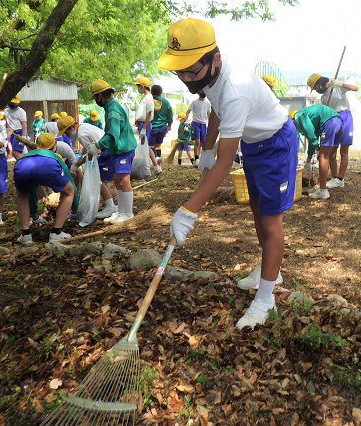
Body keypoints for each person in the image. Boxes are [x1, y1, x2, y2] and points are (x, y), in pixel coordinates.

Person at [158, 17, 298, 330]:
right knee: (257, 207)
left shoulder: (236, 89)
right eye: (178, 70)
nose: (184, 78)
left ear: (214, 59)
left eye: (190, 70)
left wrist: (187, 211)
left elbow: (224, 164)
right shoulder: (212, 78)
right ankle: (268, 269)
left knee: (270, 219)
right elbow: (217, 114)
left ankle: (266, 299)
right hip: (254, 143)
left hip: (276, 143)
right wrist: (206, 147)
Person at [83, 80, 137, 224]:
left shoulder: (112, 110)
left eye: (95, 97)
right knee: (117, 180)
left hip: (123, 150)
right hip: (117, 150)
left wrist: (98, 145)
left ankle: (128, 213)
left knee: (124, 180)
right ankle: (121, 211)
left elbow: (113, 134)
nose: (95, 100)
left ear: (100, 95)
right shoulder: (110, 107)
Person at [14, 133, 77, 243]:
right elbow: (72, 187)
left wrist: (34, 215)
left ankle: (25, 234)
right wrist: (76, 210)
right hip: (48, 165)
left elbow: (32, 191)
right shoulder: (56, 157)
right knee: (69, 192)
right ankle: (56, 232)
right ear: (55, 144)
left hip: (22, 164)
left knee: (22, 195)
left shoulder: (31, 153)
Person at [307, 73, 357, 189]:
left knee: (344, 150)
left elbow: (355, 88)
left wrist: (340, 84)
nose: (316, 90)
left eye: (315, 87)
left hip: (345, 116)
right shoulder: (324, 97)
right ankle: (334, 177)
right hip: (333, 120)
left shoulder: (337, 88)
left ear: (320, 83)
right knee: (332, 152)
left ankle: (340, 179)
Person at [289, 105, 342, 200]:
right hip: (338, 122)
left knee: (323, 157)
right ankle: (320, 186)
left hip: (329, 122)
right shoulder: (310, 117)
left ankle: (323, 191)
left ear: (292, 121)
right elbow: (312, 137)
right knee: (326, 156)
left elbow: (311, 136)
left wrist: (317, 149)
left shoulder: (299, 116)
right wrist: (309, 159)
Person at [68, 121, 118, 219]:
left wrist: (77, 164)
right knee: (102, 179)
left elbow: (91, 154)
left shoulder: (81, 135)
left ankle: (110, 206)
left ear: (73, 127)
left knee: (99, 180)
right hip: (107, 147)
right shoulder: (83, 126)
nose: (67, 135)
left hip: (106, 150)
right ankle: (111, 204)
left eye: (66, 133)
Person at [133, 76, 161, 174]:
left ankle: (156, 165)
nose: (138, 88)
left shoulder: (149, 97)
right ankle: (150, 164)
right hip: (142, 123)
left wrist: (144, 127)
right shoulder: (144, 97)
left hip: (145, 124)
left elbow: (149, 113)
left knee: (146, 145)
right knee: (144, 145)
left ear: (143, 86)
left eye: (139, 86)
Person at [185, 89, 211, 164]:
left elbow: (208, 114)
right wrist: (186, 121)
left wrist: (210, 123)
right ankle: (196, 158)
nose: (203, 93)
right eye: (202, 91)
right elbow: (187, 112)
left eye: (204, 91)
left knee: (201, 143)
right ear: (198, 92)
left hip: (203, 124)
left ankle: (198, 158)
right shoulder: (194, 102)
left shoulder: (207, 103)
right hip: (196, 123)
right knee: (197, 141)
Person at [149, 84, 173, 161]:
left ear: (151, 92)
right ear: (161, 92)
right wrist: (169, 124)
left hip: (152, 127)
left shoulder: (150, 101)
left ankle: (155, 159)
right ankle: (158, 158)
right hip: (163, 127)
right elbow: (170, 114)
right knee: (158, 146)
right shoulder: (166, 102)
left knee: (151, 146)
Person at [2, 94, 28, 160]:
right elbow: (7, 122)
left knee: (15, 152)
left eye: (15, 102)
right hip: (11, 132)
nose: (13, 104)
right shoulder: (6, 111)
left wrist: (23, 136)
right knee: (16, 151)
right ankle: (23, 163)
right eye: (12, 102)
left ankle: (21, 164)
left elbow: (24, 124)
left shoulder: (21, 111)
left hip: (19, 132)